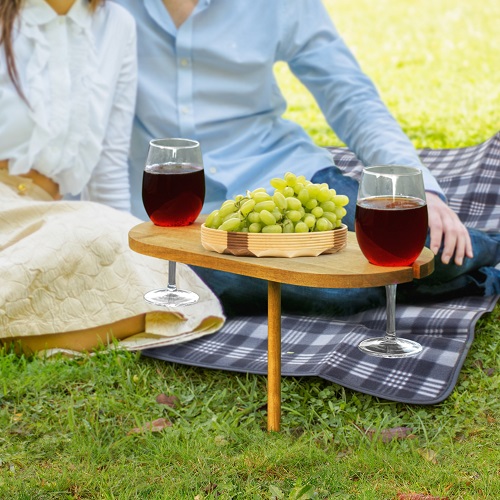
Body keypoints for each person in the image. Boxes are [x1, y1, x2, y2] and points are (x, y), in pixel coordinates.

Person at [113, 0, 498, 316]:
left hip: (289, 181)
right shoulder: (103, 8)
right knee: (333, 293)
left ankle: (491, 249)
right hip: (174, 213)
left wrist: (419, 187)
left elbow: (346, 91)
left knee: (421, 243)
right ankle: (473, 281)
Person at [0, 0, 224, 354]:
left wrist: (123, 241)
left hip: (42, 214)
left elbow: (108, 163)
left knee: (120, 247)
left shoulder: (116, 25)